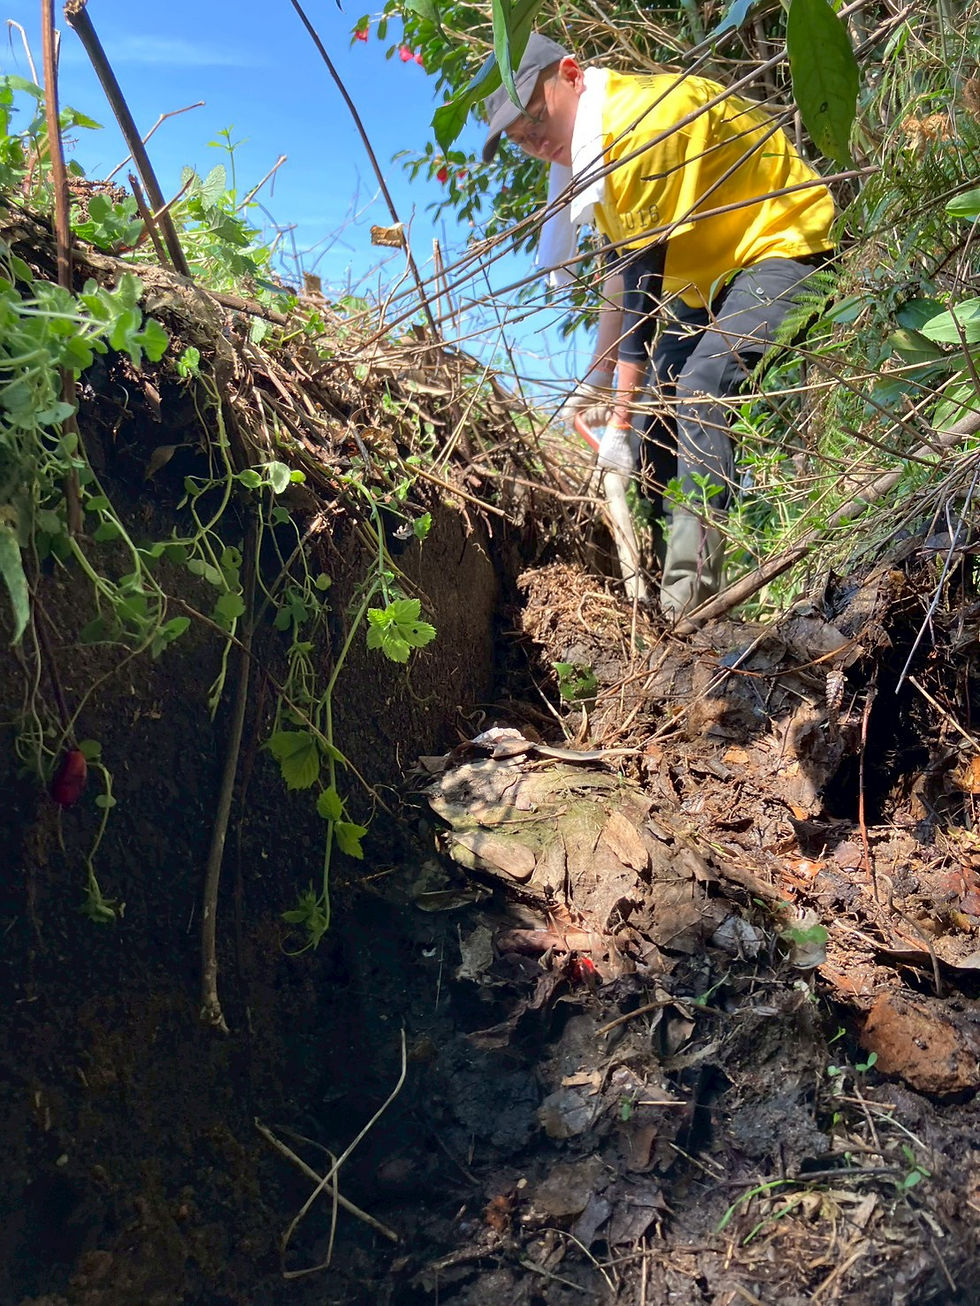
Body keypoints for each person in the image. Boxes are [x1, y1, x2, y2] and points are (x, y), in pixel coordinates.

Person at [481, 33, 835, 621]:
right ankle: (663, 587)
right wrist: (598, 382)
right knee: (655, 427)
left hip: (785, 242)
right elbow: (622, 273)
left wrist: (617, 419)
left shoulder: (640, 124)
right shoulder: (589, 154)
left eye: (536, 117)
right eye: (521, 140)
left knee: (701, 387)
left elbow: (642, 290)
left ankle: (692, 603)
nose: (537, 143)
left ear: (571, 74)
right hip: (711, 279)